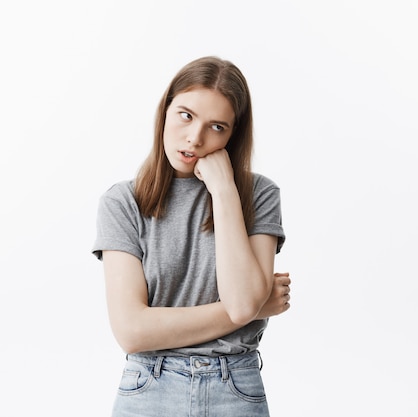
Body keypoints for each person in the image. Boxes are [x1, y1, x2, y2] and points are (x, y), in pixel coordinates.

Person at [92, 56, 290, 417]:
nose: (195, 138)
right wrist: (254, 308)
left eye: (217, 127)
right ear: (165, 110)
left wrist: (224, 189)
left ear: (233, 134)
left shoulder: (259, 194)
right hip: (149, 388)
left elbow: (243, 302)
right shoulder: (123, 202)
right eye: (186, 115)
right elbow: (133, 332)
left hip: (235, 388)